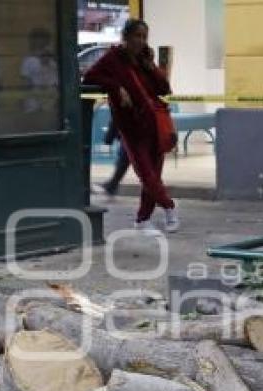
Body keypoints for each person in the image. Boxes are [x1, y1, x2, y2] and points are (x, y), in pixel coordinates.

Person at [83, 19, 179, 233]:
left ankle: (143, 220)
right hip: (131, 126)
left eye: (144, 37)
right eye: (137, 36)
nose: (141, 41)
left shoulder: (145, 59)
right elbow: (89, 77)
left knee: (154, 173)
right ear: (125, 37)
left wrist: (151, 67)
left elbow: (164, 88)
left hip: (155, 123)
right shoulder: (112, 58)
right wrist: (116, 87)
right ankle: (170, 206)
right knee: (146, 173)